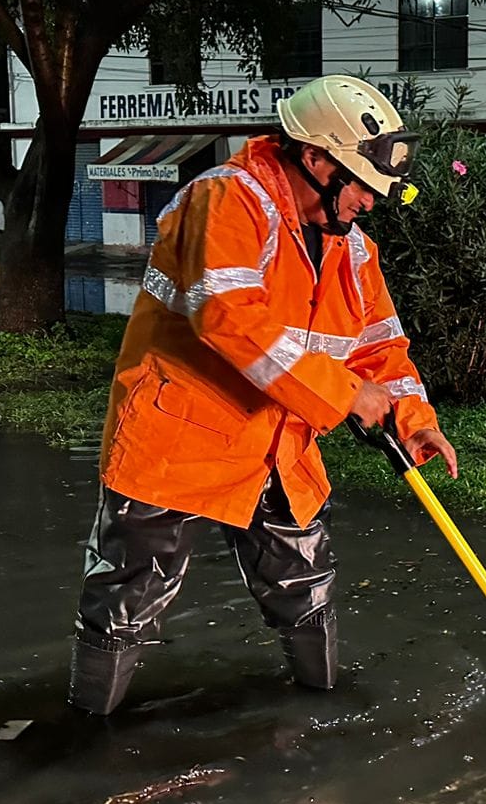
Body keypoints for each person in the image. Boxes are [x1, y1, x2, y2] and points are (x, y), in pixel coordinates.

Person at [68, 75, 460, 715]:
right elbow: (228, 317)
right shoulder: (226, 199)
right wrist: (343, 396)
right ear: (316, 158)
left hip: (282, 442)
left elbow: (380, 348)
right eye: (362, 182)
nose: (371, 200)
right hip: (180, 434)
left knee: (306, 582)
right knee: (128, 592)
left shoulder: (354, 250)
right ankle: (81, 739)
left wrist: (412, 420)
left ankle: (324, 709)